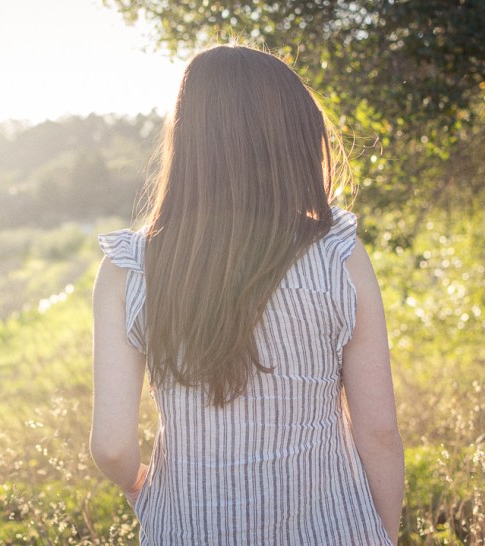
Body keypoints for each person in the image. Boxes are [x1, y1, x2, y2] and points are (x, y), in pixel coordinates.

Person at [89, 44, 405, 545]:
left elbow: (110, 447)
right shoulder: (338, 254)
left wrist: (138, 484)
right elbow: (379, 433)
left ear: (187, 141)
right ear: (297, 139)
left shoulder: (129, 266)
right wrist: (380, 535)